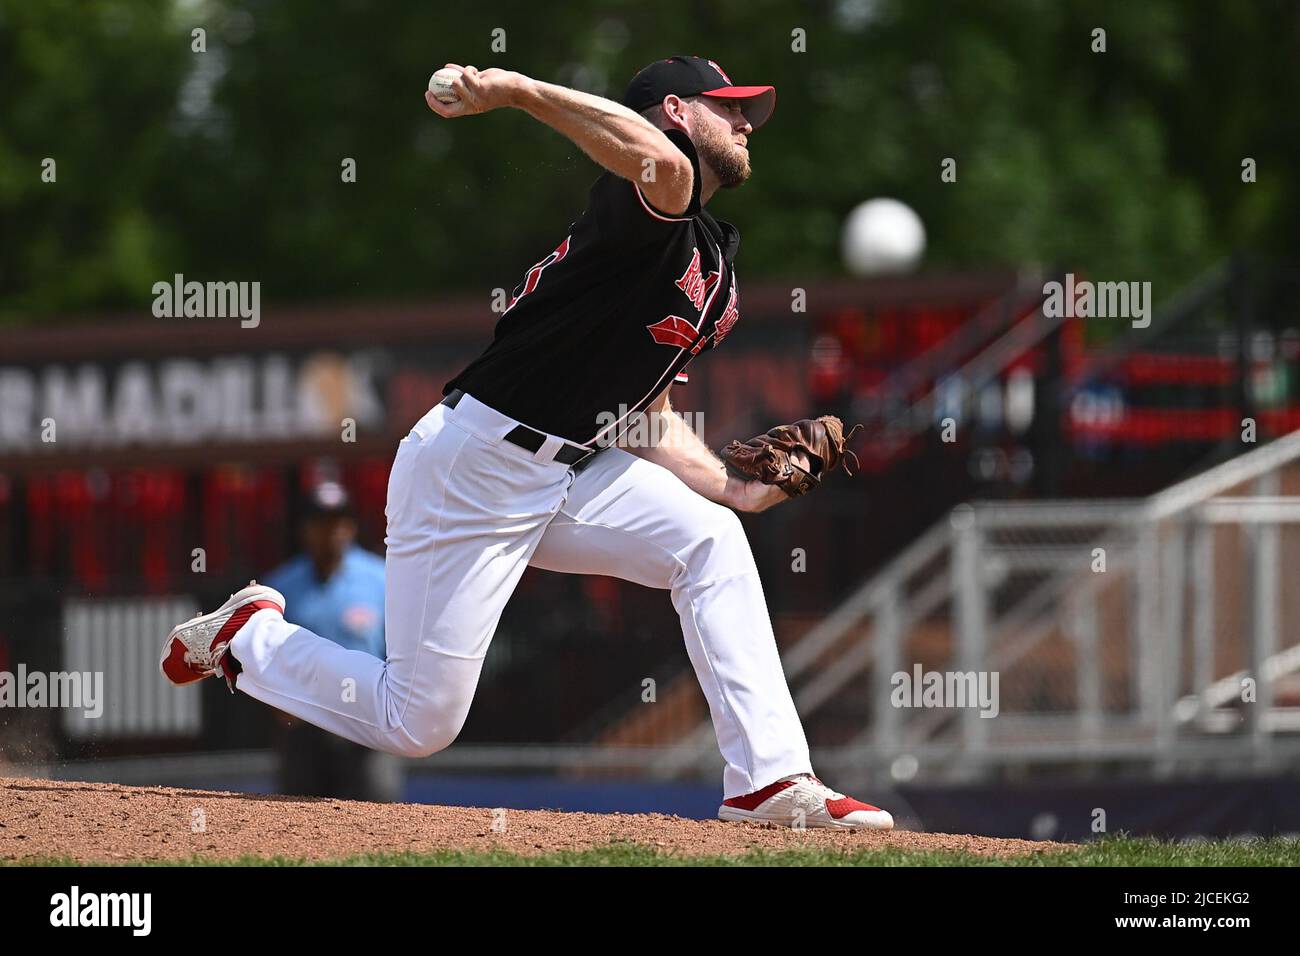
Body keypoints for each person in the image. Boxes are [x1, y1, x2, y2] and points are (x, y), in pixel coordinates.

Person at [161, 56, 893, 829]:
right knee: (419, 723)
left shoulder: (712, 260)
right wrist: (512, 90)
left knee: (712, 538)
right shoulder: (648, 199)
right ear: (676, 110)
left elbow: (643, 410)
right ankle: (253, 639)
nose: (748, 124)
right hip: (472, 466)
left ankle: (768, 783)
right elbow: (656, 159)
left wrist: (729, 486)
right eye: (731, 107)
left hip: (573, 469)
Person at [261, 480, 402, 802]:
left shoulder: (380, 578)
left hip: (367, 723)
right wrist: (279, 710)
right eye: (321, 522)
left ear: (351, 526)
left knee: (376, 814)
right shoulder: (281, 587)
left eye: (340, 521)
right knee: (298, 822)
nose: (332, 531)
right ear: (305, 529)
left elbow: (400, 649)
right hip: (304, 723)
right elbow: (264, 656)